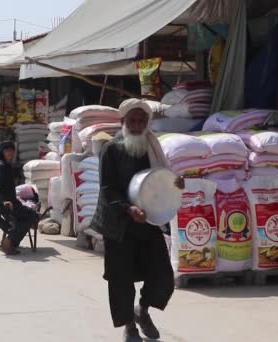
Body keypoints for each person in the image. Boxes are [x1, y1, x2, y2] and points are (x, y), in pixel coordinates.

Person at [90, 99, 183, 342]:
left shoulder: (151, 148)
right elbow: (108, 188)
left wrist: (175, 182)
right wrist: (128, 209)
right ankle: (129, 325)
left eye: (142, 121)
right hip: (118, 222)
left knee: (162, 274)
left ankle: (143, 310)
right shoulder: (112, 149)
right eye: (133, 120)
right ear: (123, 122)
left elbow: (161, 177)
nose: (138, 125)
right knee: (121, 278)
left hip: (147, 220)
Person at [0, 142, 38, 255]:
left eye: (12, 150)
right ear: (2, 152)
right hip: (4, 205)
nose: (10, 153)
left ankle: (11, 242)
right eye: (7, 150)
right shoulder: (0, 166)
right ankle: (9, 241)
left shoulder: (6, 166)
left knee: (30, 214)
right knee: (31, 217)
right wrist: (3, 201)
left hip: (12, 203)